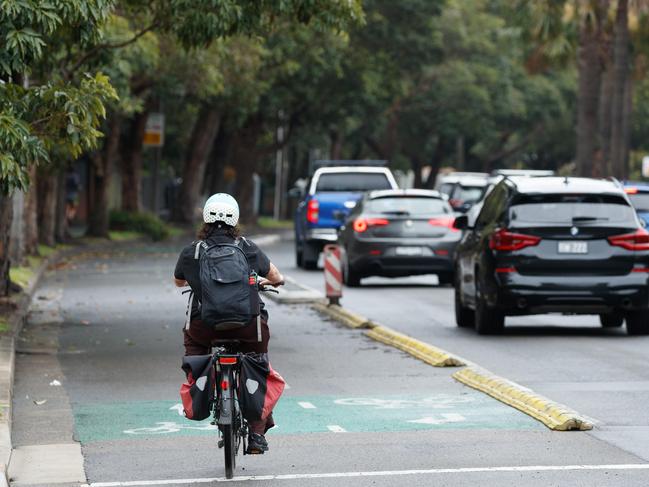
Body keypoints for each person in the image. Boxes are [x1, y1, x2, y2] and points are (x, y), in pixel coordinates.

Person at [173, 193, 284, 454]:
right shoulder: (247, 248)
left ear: (205, 220)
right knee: (257, 362)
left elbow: (178, 282)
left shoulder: (192, 251)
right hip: (247, 326)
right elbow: (276, 277)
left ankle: (201, 383)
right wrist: (262, 282)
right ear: (235, 219)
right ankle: (257, 435)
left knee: (194, 347)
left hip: (205, 328)